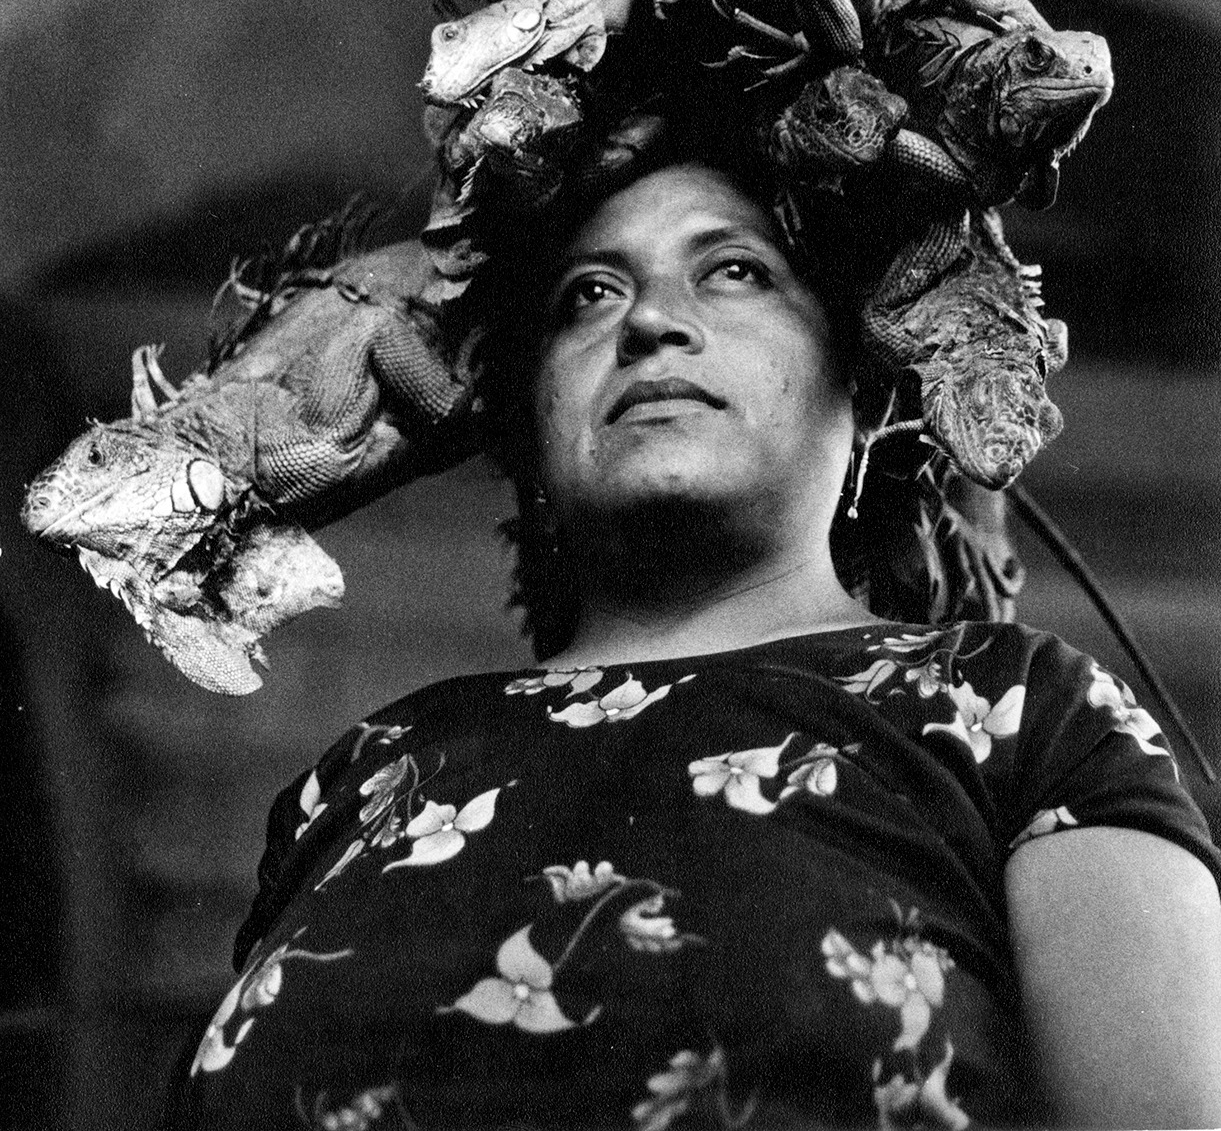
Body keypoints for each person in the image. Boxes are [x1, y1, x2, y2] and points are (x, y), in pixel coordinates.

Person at [167, 108, 1221, 1131]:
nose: (649, 321)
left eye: (735, 270)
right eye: (589, 294)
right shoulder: (373, 765)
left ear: (861, 388)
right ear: (531, 421)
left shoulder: (1019, 709)